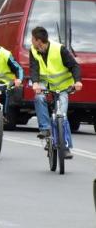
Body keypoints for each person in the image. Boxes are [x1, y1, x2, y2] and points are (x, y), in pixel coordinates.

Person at [30, 26, 82, 159]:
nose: (31, 42)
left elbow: (74, 65)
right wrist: (35, 83)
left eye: (33, 39)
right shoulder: (34, 50)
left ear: (39, 41)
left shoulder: (59, 49)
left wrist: (77, 81)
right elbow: (34, 68)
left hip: (62, 86)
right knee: (39, 98)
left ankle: (65, 147)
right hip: (45, 85)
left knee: (62, 117)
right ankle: (45, 129)